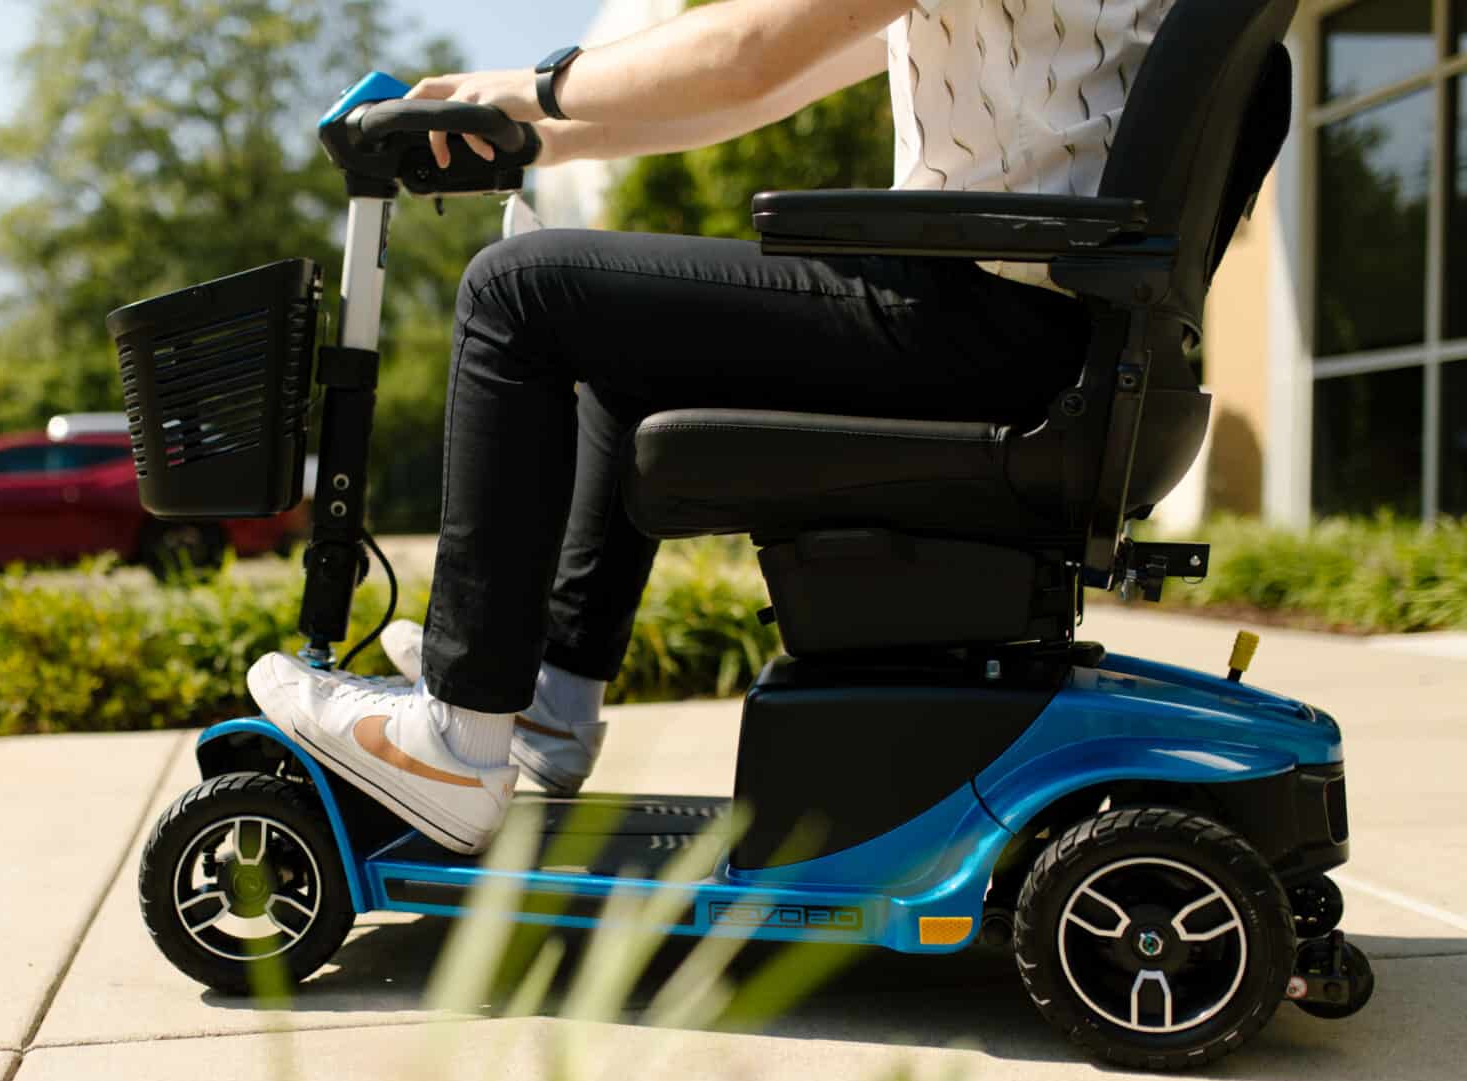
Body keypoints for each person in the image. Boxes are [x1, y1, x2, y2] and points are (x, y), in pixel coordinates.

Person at [249, 0, 1173, 853]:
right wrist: (535, 140)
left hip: (983, 322)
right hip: (1037, 329)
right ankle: (547, 705)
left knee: (517, 290)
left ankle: (455, 741)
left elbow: (748, 51)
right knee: (626, 327)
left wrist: (525, 89)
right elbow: (778, 80)